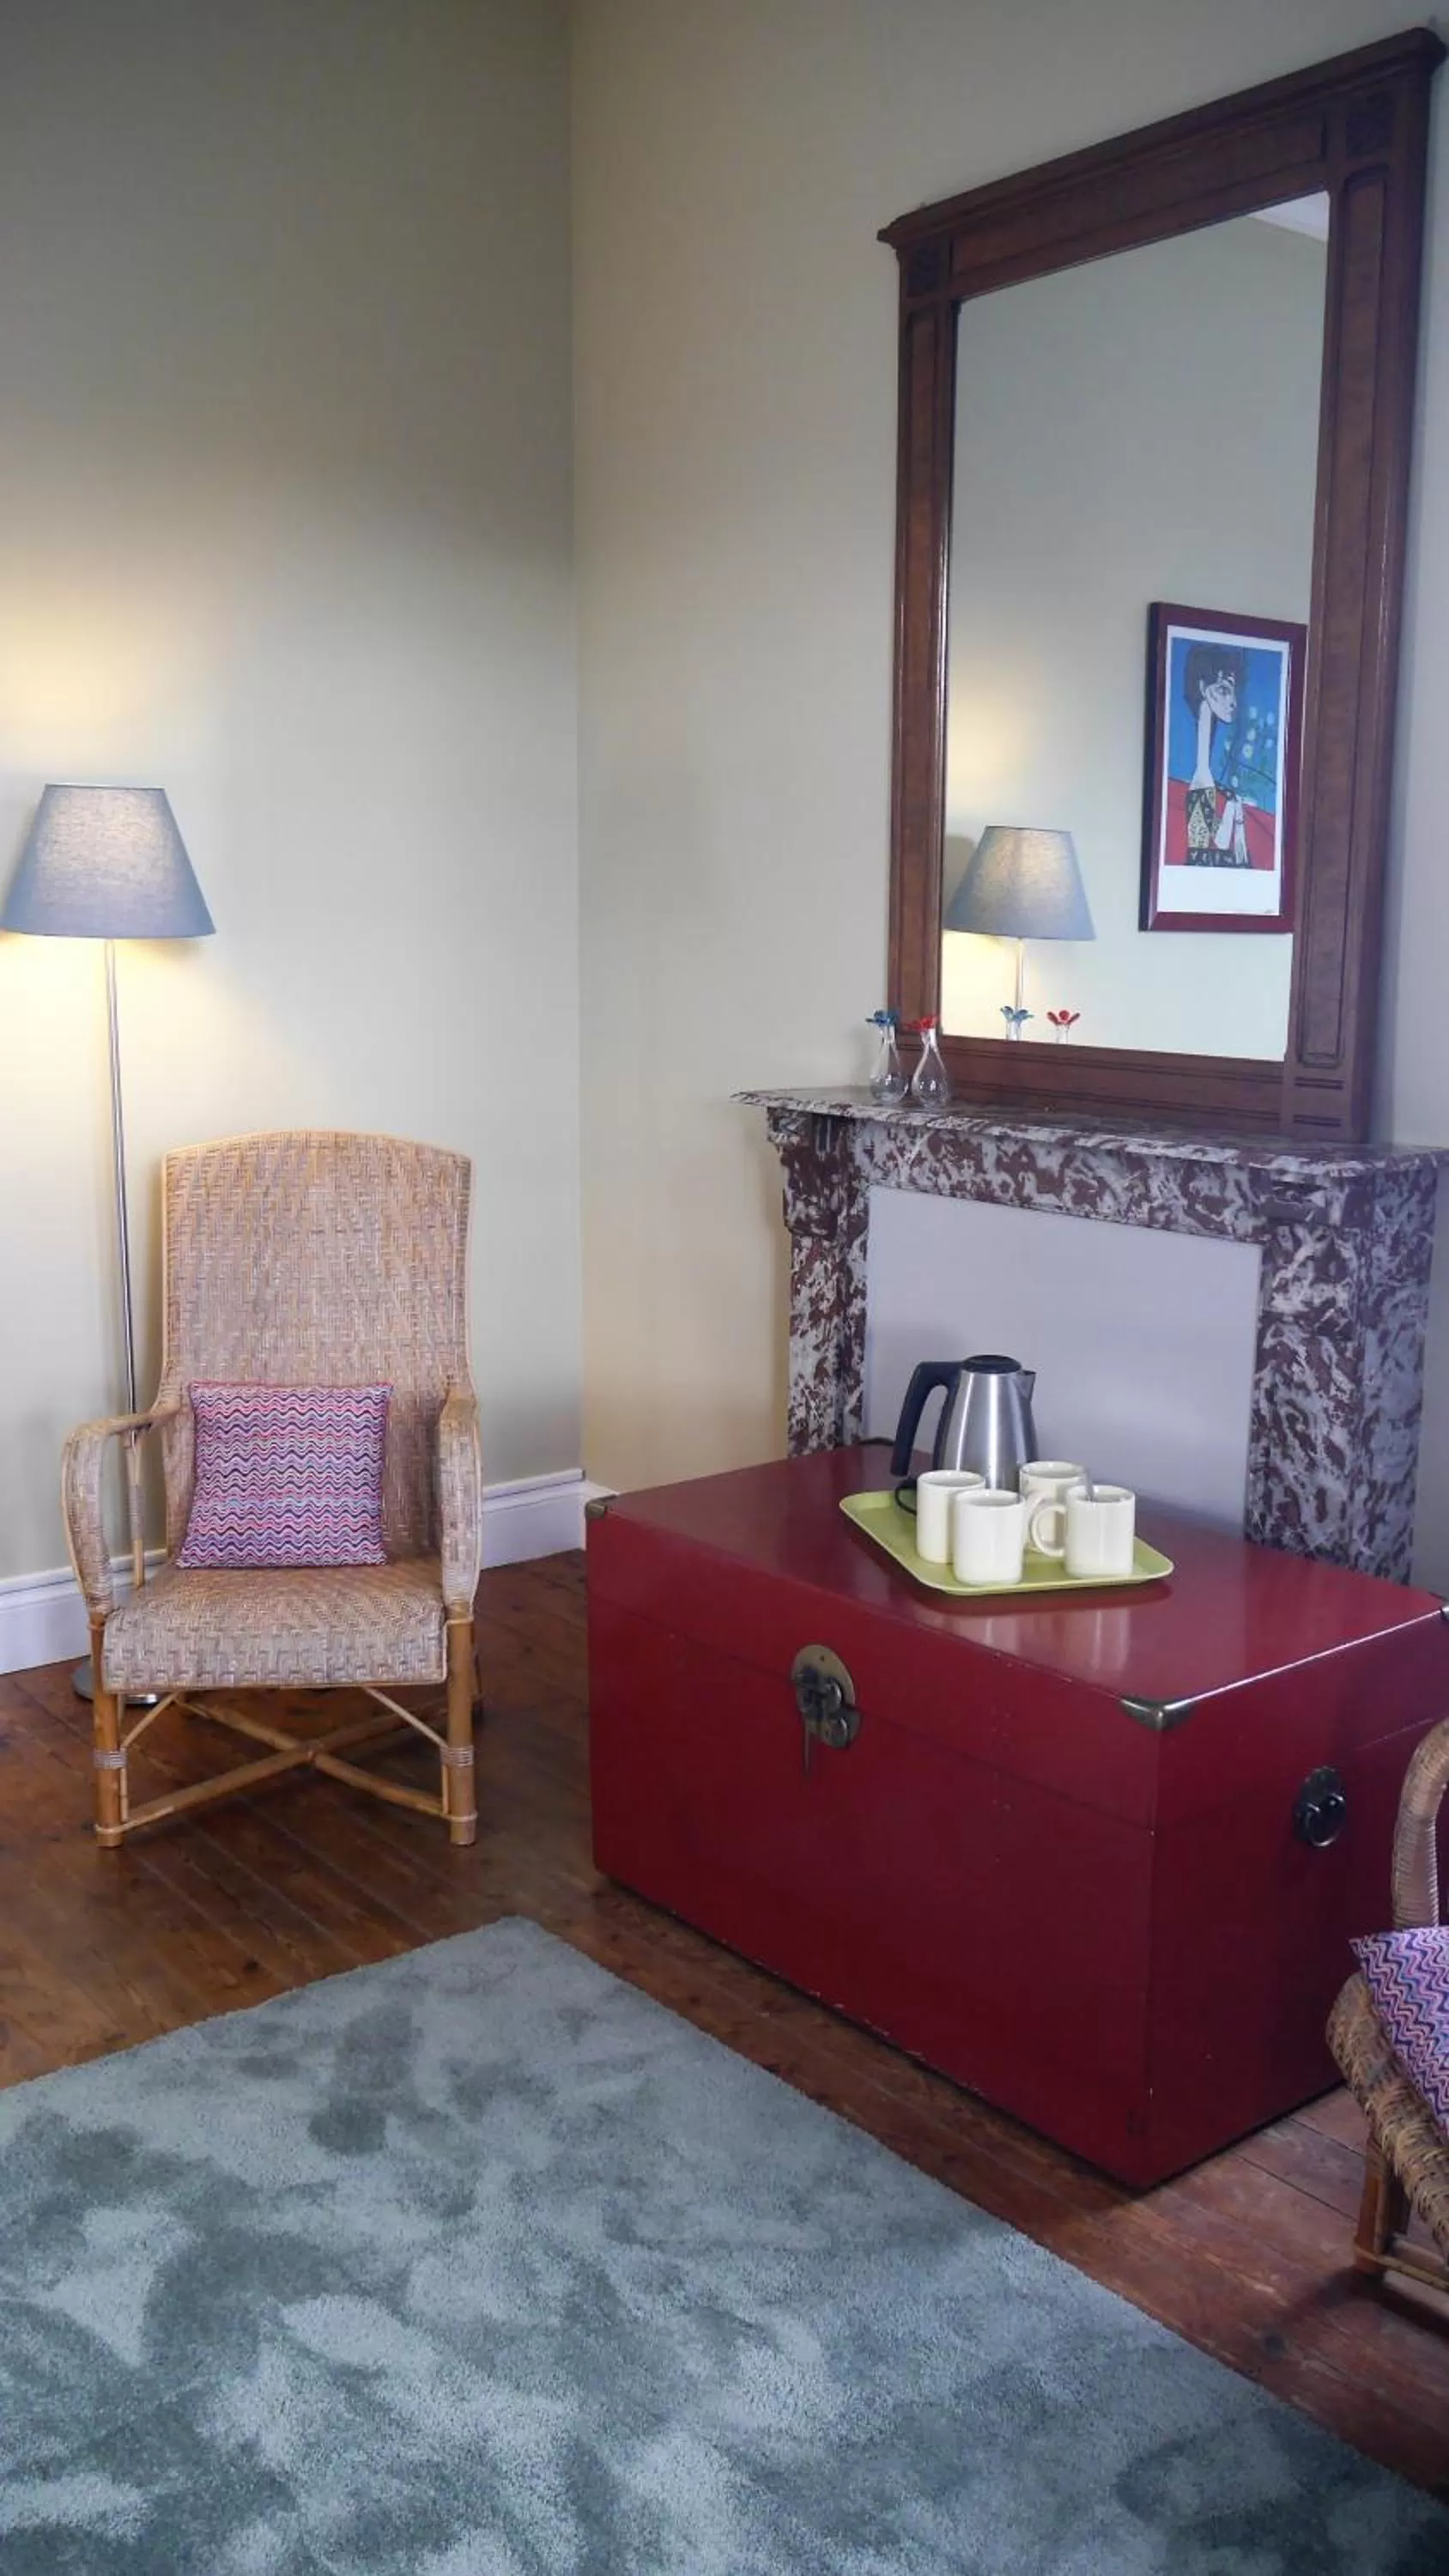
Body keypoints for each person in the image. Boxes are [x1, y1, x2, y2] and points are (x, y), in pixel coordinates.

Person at [1180, 641, 1246, 865]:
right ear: (1202, 688)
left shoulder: (1203, 775)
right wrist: (1233, 809)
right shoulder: (1202, 778)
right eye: (1223, 690)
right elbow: (1219, 841)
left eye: (1233, 692)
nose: (1233, 702)